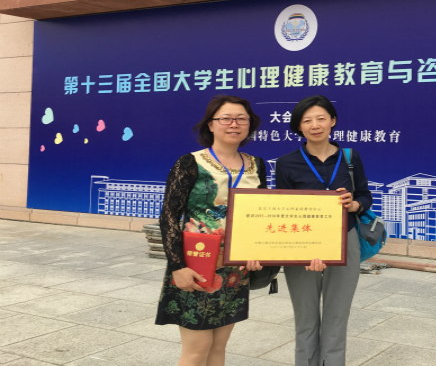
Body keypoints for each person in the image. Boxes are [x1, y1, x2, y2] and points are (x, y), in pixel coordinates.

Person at [156, 95, 268, 366]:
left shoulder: (257, 164)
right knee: (197, 350)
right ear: (210, 124)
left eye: (241, 119)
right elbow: (169, 216)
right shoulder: (190, 163)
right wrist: (178, 267)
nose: (234, 124)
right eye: (226, 118)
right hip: (197, 264)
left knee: (218, 347)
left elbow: (261, 215)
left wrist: (257, 252)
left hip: (235, 269)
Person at [275, 95, 372, 366]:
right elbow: (281, 207)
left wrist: (354, 204)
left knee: (337, 317)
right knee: (305, 318)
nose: (315, 125)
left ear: (333, 121)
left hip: (344, 241)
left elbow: (365, 195)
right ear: (299, 126)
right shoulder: (286, 162)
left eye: (321, 118)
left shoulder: (350, 158)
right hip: (300, 244)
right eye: (307, 120)